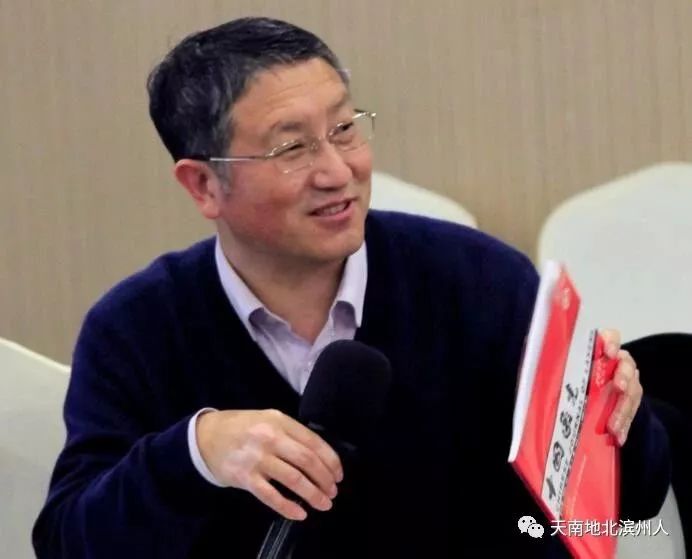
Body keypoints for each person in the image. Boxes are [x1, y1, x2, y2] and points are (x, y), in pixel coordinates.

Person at [32, 16, 670, 558]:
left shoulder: (481, 282)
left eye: (343, 129)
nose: (338, 171)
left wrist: (618, 423)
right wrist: (194, 454)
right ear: (203, 185)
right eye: (291, 148)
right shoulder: (136, 328)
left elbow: (625, 509)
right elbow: (67, 541)